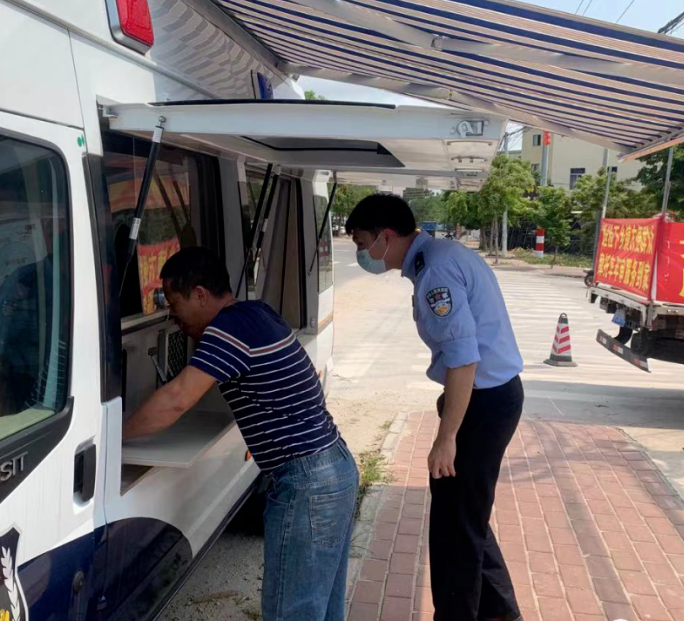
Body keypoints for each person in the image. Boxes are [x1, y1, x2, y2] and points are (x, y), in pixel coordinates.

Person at [123, 247, 358, 621]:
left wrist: (110, 438)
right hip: (331, 468)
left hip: (307, 482)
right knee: (321, 609)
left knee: (292, 612)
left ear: (200, 294)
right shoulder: (254, 312)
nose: (173, 315)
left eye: (174, 301)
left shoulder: (227, 329)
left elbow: (176, 400)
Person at [347, 194, 524, 621]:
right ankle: (500, 612)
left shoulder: (436, 271)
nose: (360, 252)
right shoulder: (437, 257)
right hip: (486, 399)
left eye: (361, 241)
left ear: (385, 236)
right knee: (466, 515)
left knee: (454, 529)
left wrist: (447, 439)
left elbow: (464, 359)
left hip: (481, 403)